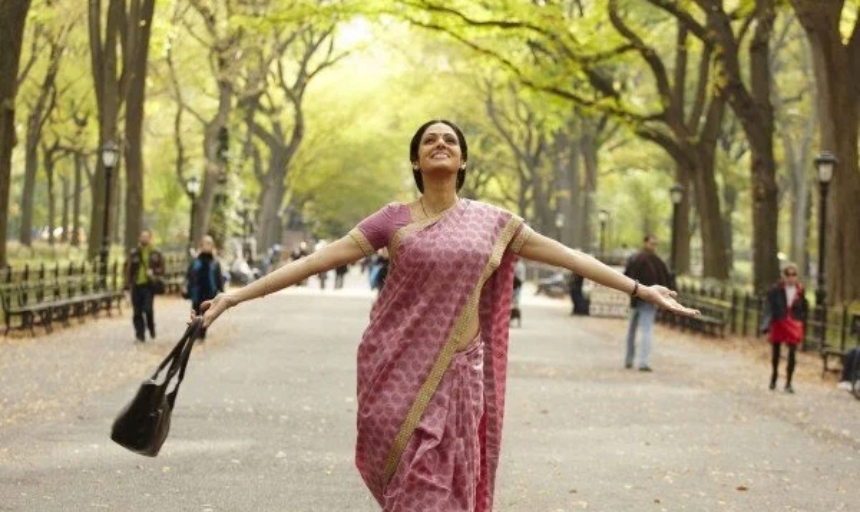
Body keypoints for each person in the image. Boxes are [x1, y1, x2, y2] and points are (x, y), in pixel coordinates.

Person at [196, 120, 698, 511]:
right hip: (393, 374)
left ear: (462, 161)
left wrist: (638, 288)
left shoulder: (495, 224)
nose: (440, 144)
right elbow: (314, 261)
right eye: (429, 140)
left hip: (458, 380)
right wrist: (235, 296)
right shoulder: (392, 220)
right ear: (416, 160)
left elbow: (569, 256)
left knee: (436, 491)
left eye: (449, 141)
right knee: (409, 486)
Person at [623, 235, 673, 372]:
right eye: (652, 243)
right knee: (635, 331)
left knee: (644, 331)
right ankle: (631, 360)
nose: (653, 246)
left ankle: (642, 362)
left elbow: (665, 279)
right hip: (638, 300)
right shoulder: (639, 259)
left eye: (655, 244)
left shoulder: (653, 261)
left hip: (648, 301)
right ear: (645, 243)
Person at [760, 263, 808, 393]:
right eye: (788, 274)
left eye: (793, 274)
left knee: (792, 353)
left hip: (794, 324)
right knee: (776, 352)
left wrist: (803, 324)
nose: (790, 277)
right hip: (779, 322)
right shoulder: (775, 290)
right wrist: (765, 325)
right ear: (783, 276)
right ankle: (774, 376)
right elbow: (768, 308)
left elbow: (804, 310)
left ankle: (789, 382)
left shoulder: (800, 291)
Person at [124, 229, 165, 343]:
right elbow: (128, 270)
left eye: (146, 236)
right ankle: (140, 335)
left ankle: (151, 326)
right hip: (136, 285)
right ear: (139, 238)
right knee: (137, 311)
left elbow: (162, 270)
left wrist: (154, 272)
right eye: (142, 236)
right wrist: (127, 287)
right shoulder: (134, 253)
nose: (144, 238)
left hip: (149, 285)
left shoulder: (156, 253)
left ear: (150, 238)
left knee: (148, 309)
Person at [185, 235, 224, 341]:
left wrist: (222, 291)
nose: (207, 246)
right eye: (205, 243)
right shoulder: (196, 261)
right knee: (196, 312)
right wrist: (186, 288)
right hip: (197, 292)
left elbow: (219, 278)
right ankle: (196, 333)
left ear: (212, 246)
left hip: (210, 292)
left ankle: (202, 333)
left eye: (209, 243)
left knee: (206, 313)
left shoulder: (215, 262)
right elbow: (189, 275)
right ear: (201, 245)